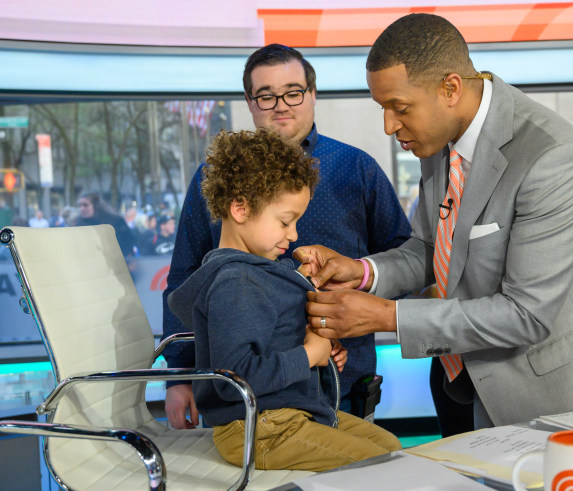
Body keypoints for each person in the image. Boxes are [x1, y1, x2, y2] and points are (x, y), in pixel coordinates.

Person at [297, 13, 573, 429]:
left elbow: (528, 314)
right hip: (465, 385)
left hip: (567, 395)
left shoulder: (552, 156)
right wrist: (362, 272)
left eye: (400, 108)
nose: (390, 125)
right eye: (383, 108)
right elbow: (434, 248)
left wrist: (386, 316)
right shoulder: (437, 141)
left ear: (450, 88)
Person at [161, 43, 411, 430]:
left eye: (293, 91)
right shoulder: (215, 180)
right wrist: (178, 375)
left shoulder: (357, 169)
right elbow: (184, 276)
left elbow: (402, 260)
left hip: (343, 381)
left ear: (312, 93)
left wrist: (351, 314)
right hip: (247, 403)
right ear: (249, 102)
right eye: (266, 95)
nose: (281, 104)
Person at [167, 128, 401, 470]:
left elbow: (272, 335)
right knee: (384, 465)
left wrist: (320, 348)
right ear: (240, 209)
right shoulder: (234, 283)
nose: (293, 236)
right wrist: (307, 355)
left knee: (393, 448)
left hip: (292, 415)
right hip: (256, 429)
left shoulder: (260, 273)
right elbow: (236, 380)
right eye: (285, 222)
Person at [75, 191, 135, 258]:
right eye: (79, 206)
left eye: (85, 205)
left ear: (95, 205)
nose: (82, 209)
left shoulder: (115, 221)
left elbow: (128, 242)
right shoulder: (79, 224)